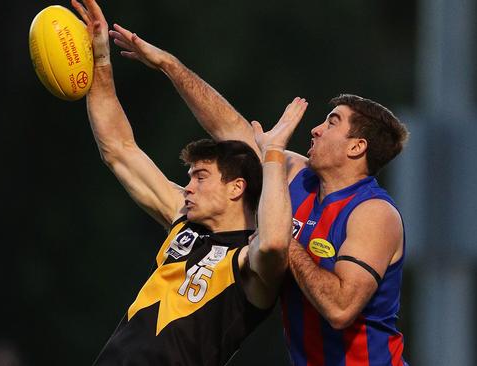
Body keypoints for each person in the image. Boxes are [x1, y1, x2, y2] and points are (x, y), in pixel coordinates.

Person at [108, 20, 410, 366]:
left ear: (357, 147)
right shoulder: (296, 176)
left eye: (331, 122)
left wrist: (278, 234)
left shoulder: (373, 213)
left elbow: (340, 308)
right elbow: (228, 127)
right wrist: (169, 65)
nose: (315, 129)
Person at [69, 1, 307, 365]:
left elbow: (276, 245)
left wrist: (273, 152)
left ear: (236, 188)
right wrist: (100, 60)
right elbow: (119, 149)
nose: (189, 187)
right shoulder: (184, 222)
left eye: (201, 177)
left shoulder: (251, 261)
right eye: (189, 178)